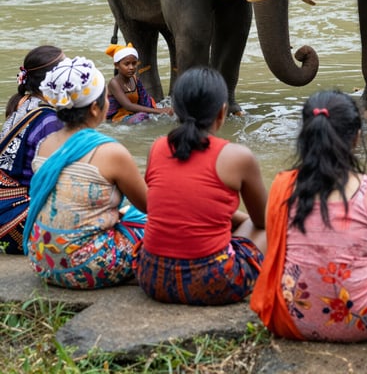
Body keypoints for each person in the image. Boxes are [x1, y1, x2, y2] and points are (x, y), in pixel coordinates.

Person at [251, 90, 367, 342]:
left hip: (290, 320)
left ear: (306, 136)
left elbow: (278, 250)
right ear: (356, 138)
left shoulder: (282, 186)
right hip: (360, 325)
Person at [134, 66, 267, 305]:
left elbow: (170, 204)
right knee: (266, 229)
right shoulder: (238, 156)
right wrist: (240, 218)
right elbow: (263, 221)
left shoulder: (157, 147)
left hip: (152, 277)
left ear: (175, 111)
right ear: (222, 112)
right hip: (212, 283)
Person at [23, 56, 147, 289]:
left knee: (123, 210)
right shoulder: (110, 152)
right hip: (87, 267)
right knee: (153, 223)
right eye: (106, 99)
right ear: (94, 108)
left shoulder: (46, 143)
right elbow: (151, 206)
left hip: (42, 261)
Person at [0, 46, 65, 254]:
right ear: (52, 80)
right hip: (16, 222)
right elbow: (54, 183)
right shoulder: (49, 120)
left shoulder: (22, 102)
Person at [105, 42, 173, 123]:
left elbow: (145, 100)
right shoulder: (114, 83)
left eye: (134, 64)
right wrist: (159, 111)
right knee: (142, 117)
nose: (131, 67)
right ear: (116, 65)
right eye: (126, 64)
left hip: (134, 114)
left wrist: (162, 110)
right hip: (117, 117)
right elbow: (128, 106)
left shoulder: (135, 79)